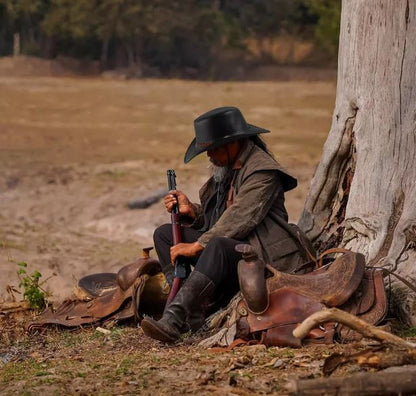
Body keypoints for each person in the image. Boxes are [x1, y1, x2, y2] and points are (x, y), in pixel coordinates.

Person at [141, 106, 312, 343]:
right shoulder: (227, 169)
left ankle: (174, 318)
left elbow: (241, 217)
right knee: (164, 234)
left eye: (213, 150)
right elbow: (218, 219)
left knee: (218, 246)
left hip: (263, 257)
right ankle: (185, 307)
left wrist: (197, 245)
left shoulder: (262, 171)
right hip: (231, 250)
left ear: (233, 144)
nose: (209, 157)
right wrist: (192, 212)